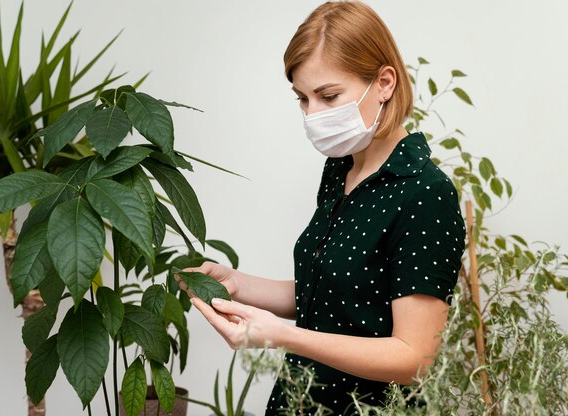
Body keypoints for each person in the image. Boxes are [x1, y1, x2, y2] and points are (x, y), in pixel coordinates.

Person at [174, 1, 466, 414]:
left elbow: (414, 358)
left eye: (328, 96)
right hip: (300, 400)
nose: (312, 115)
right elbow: (336, 297)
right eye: (303, 99)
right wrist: (238, 284)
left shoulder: (424, 194)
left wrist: (282, 336)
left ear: (384, 83)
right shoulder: (340, 170)